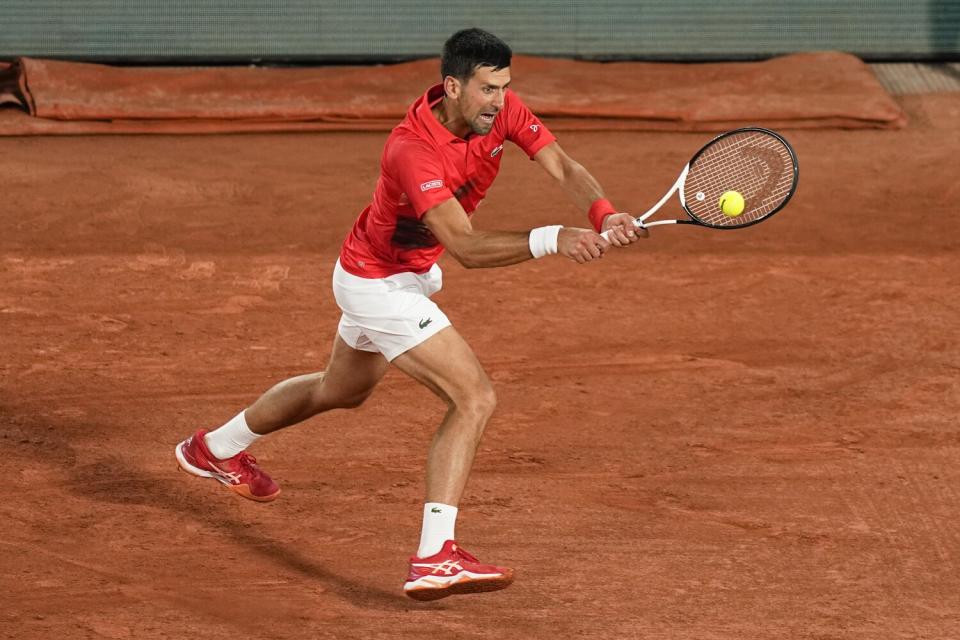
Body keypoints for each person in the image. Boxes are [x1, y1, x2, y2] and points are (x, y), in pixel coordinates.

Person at [175, 27, 647, 601]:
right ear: (452, 86)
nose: (499, 101)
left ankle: (213, 449)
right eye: (487, 90)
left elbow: (562, 165)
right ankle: (435, 556)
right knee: (473, 397)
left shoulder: (501, 110)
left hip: (400, 274)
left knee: (339, 390)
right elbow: (468, 248)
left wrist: (602, 212)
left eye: (504, 88)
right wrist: (555, 237)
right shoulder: (411, 149)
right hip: (378, 283)